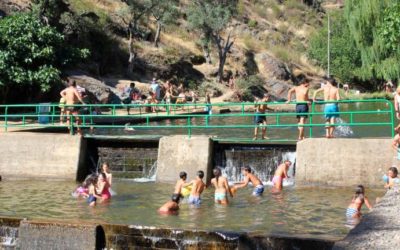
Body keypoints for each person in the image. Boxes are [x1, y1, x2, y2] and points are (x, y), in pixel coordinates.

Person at [287, 75, 311, 140]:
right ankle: (300, 137)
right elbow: (306, 98)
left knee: (299, 122)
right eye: (308, 83)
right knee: (302, 122)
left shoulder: (296, 87)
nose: (309, 85)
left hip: (298, 106)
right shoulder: (306, 89)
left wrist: (289, 100)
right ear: (305, 83)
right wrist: (309, 102)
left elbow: (289, 92)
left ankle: (302, 136)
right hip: (303, 105)